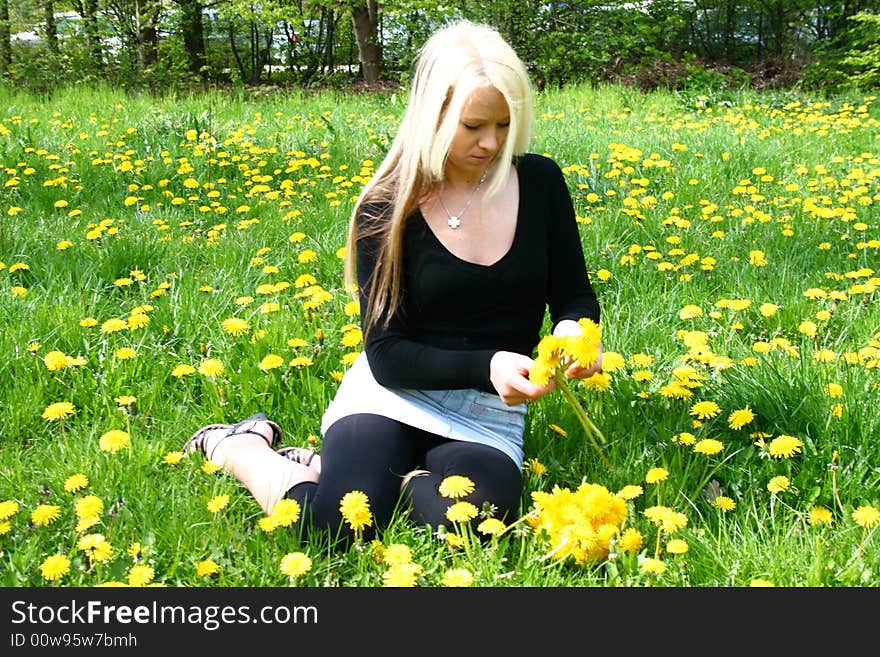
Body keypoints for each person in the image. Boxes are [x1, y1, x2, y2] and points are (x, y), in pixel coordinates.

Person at [184, 19, 602, 545]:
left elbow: (573, 294)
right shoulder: (388, 205)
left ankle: (358, 473)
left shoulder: (540, 183)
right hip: (392, 395)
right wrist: (488, 364)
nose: (492, 142)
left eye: (503, 123)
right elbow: (386, 354)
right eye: (473, 126)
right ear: (432, 115)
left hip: (486, 412)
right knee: (338, 525)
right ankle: (241, 447)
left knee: (469, 527)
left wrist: (573, 332)